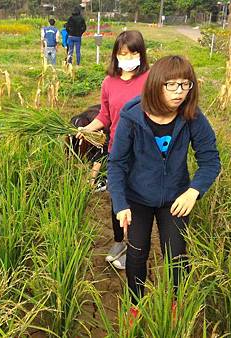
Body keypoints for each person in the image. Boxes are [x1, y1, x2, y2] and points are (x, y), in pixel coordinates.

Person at [107, 56, 221, 312]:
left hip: (176, 198)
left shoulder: (192, 117)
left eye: (185, 84)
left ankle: (176, 304)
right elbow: (116, 163)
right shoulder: (132, 116)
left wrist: (194, 190)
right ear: (156, 85)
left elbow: (210, 160)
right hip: (137, 197)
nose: (179, 92)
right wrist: (120, 203)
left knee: (177, 254)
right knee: (137, 252)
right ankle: (135, 305)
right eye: (171, 84)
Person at [77, 30, 150, 269]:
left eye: (133, 53)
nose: (128, 58)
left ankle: (134, 248)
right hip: (117, 150)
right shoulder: (109, 82)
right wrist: (87, 129)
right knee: (117, 199)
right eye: (123, 53)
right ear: (116, 55)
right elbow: (105, 116)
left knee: (137, 201)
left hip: (143, 151)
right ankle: (119, 242)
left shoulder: (150, 80)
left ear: (141, 54)